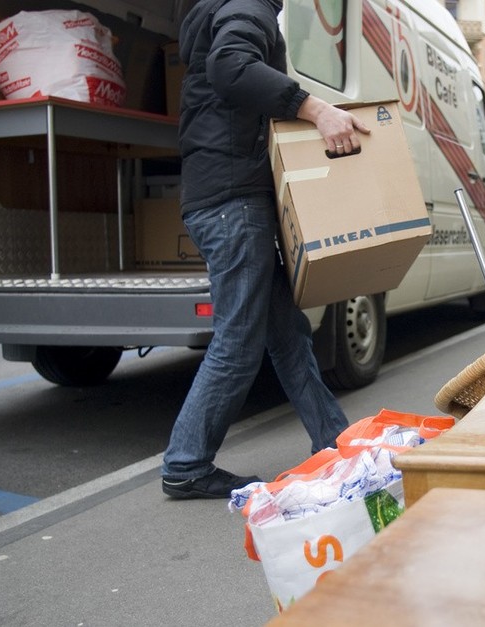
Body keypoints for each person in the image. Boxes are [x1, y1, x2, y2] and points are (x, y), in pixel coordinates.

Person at [161, 0, 366, 499]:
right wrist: (315, 108)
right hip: (232, 200)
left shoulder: (227, 7)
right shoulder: (245, 3)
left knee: (288, 335)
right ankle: (186, 464)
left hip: (227, 195)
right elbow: (232, 67)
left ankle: (335, 443)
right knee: (238, 341)